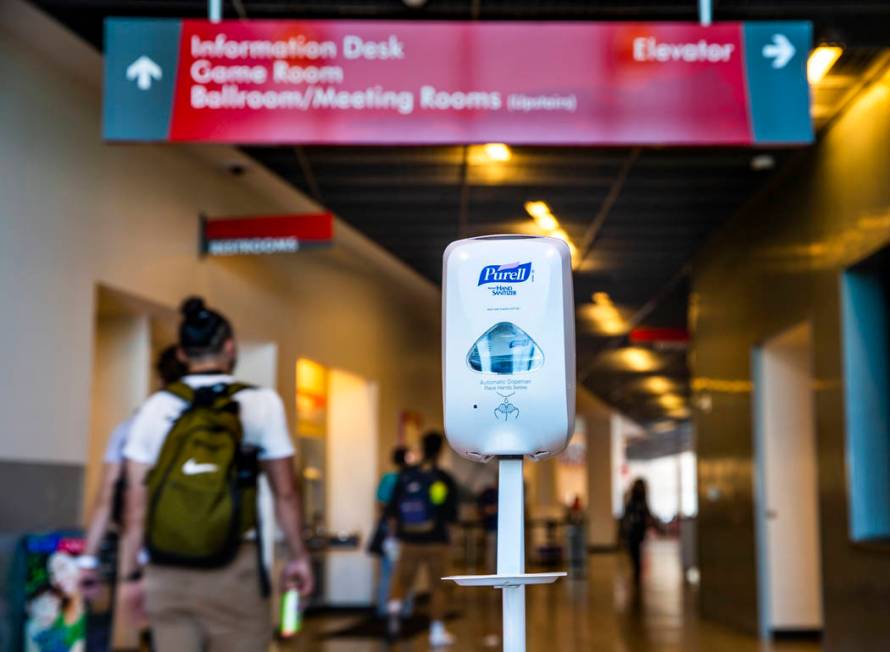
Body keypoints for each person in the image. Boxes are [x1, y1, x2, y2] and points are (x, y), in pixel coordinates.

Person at [118, 296, 314, 651]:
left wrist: (131, 576)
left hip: (166, 571)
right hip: (234, 569)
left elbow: (135, 506)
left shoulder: (155, 408)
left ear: (181, 353)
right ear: (229, 347)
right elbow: (286, 492)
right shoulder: (261, 404)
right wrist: (298, 557)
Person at [78, 347, 187, 598]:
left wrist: (88, 561)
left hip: (153, 552)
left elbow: (107, 496)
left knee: (166, 630)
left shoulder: (133, 427)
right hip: (213, 553)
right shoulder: (219, 426)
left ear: (160, 380)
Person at [386, 431, 458, 648]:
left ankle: (394, 617)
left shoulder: (406, 476)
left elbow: (392, 511)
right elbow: (450, 516)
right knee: (439, 586)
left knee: (401, 582)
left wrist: (392, 537)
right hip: (436, 540)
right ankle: (436, 631)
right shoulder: (443, 478)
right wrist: (450, 539)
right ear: (441, 449)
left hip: (409, 539)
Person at [371, 446, 411, 617]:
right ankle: (405, 609)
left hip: (389, 528)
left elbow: (381, 504)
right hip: (407, 529)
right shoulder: (410, 478)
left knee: (387, 572)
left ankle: (384, 608)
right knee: (406, 571)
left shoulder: (388, 479)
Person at [620, 478, 658, 587]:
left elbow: (640, 514)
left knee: (635, 552)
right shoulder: (637, 500)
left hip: (636, 530)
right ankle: (636, 572)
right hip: (637, 530)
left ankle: (637, 573)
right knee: (635, 552)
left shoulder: (637, 500)